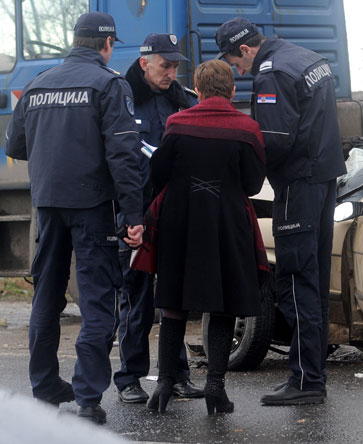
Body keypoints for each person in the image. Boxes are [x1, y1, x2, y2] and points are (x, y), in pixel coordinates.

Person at [4, 12, 144, 424]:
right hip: (93, 206)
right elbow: (124, 155)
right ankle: (87, 398)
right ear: (107, 44)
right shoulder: (109, 84)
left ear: (75, 40)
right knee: (98, 299)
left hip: (48, 205)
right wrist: (134, 214)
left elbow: (16, 145)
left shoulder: (38, 84)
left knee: (47, 295)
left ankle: (45, 387)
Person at [215, 17, 346, 405]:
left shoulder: (271, 72)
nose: (239, 72)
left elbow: (274, 140)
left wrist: (242, 174)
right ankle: (313, 375)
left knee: (295, 281)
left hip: (297, 186)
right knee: (315, 282)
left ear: (245, 49)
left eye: (235, 62)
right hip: (323, 181)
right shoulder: (306, 58)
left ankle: (305, 381)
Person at [135, 59, 267, 414]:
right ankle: (215, 386)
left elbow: (158, 173)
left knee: (174, 303)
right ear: (232, 91)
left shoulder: (177, 123)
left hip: (180, 221)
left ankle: (164, 385)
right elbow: (253, 184)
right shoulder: (248, 128)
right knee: (224, 303)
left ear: (197, 90)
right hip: (227, 222)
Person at [114, 32, 202, 405]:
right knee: (136, 298)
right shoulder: (121, 99)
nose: (171, 73)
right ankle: (129, 378)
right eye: (165, 66)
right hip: (136, 212)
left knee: (174, 297)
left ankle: (176, 375)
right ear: (144, 63)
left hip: (174, 212)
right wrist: (127, 214)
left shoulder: (182, 100)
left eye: (175, 66)